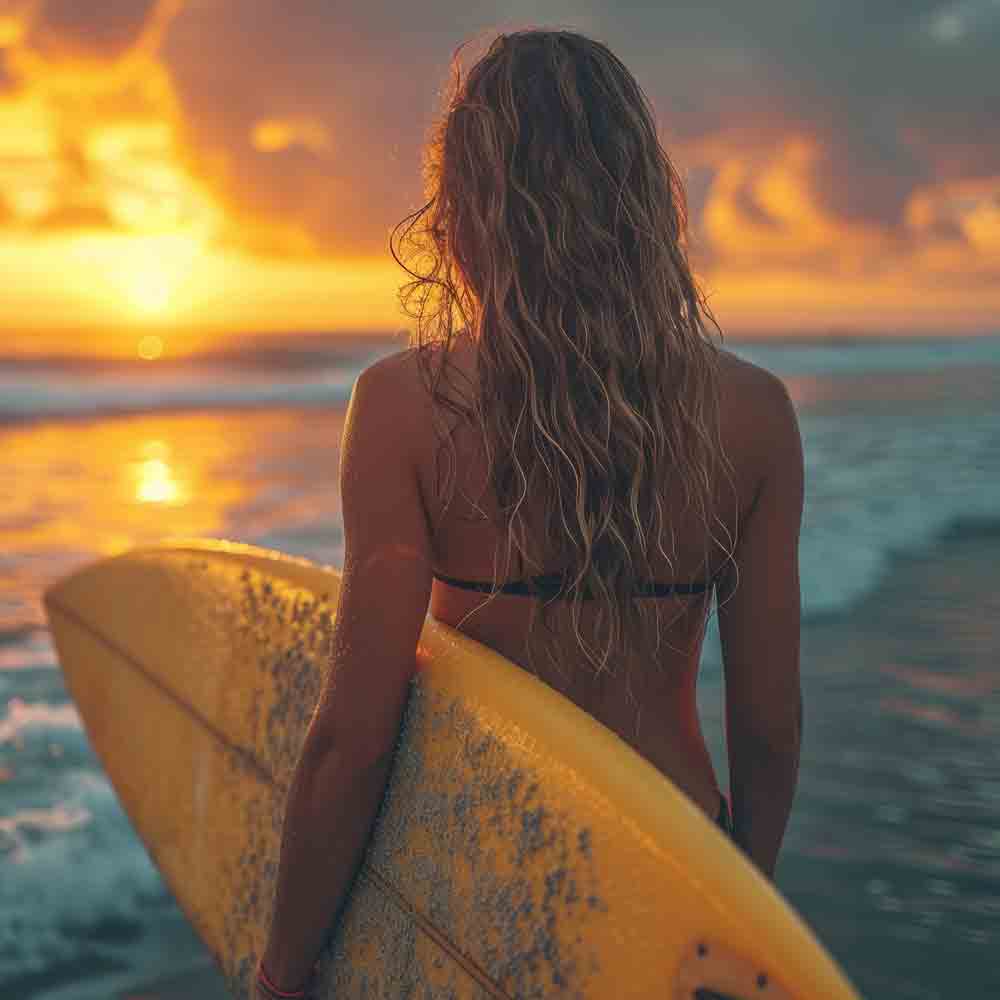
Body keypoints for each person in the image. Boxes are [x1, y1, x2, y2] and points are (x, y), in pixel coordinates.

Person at [254, 27, 804, 1000]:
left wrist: (280, 974)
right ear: (641, 195)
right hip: (671, 870)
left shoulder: (403, 406)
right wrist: (737, 920)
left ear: (465, 201)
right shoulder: (753, 412)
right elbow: (766, 724)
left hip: (477, 877)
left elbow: (355, 733)